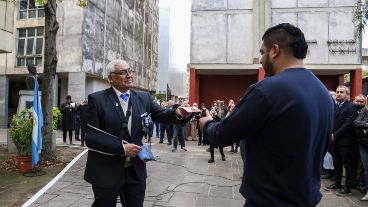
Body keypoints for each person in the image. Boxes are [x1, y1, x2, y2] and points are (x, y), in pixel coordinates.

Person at [199, 23, 334, 207]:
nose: (261, 60)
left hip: (269, 200)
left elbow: (222, 134)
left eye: (262, 52)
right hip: (306, 199)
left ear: (275, 50)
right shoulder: (324, 93)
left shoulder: (266, 89)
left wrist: (206, 123)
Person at [84, 59, 190, 207]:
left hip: (135, 170)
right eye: (122, 72)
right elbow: (91, 137)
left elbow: (163, 115)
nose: (129, 75)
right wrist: (122, 148)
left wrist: (178, 113)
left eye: (130, 71)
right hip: (106, 170)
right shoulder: (97, 99)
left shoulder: (143, 97)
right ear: (110, 78)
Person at [325, 86, 357, 196]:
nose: (338, 94)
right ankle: (337, 183)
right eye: (337, 92)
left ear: (347, 94)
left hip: (346, 141)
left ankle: (347, 188)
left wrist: (335, 135)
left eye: (341, 92)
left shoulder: (351, 106)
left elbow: (347, 124)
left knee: (348, 165)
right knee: (336, 163)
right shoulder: (335, 106)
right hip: (335, 141)